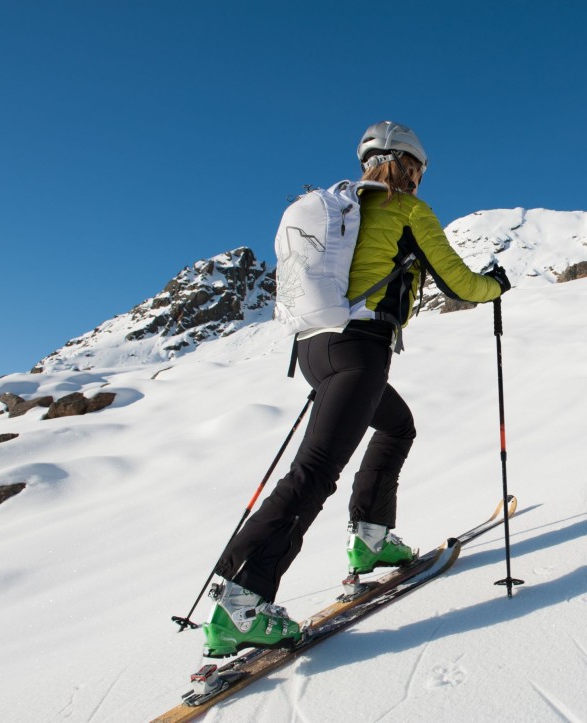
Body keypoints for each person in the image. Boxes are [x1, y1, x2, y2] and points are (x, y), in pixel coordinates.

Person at [201, 121, 510, 658]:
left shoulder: (340, 210)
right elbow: (459, 283)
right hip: (360, 349)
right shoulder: (408, 210)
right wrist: (497, 285)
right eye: (420, 170)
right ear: (411, 167)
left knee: (396, 424)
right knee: (313, 473)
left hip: (316, 349)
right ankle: (241, 603)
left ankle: (370, 538)